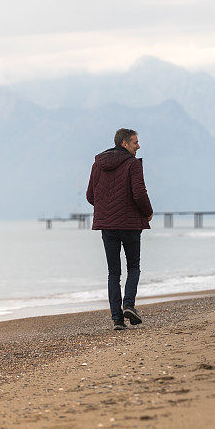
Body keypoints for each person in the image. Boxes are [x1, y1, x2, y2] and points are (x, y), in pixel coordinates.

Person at [86, 128, 153, 330]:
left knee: (113, 273)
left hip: (107, 226)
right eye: (135, 142)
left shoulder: (98, 164)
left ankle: (117, 320)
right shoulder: (133, 164)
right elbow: (139, 194)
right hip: (130, 225)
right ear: (124, 143)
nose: (138, 146)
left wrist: (106, 208)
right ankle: (129, 305)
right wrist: (148, 212)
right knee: (133, 267)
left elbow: (90, 196)